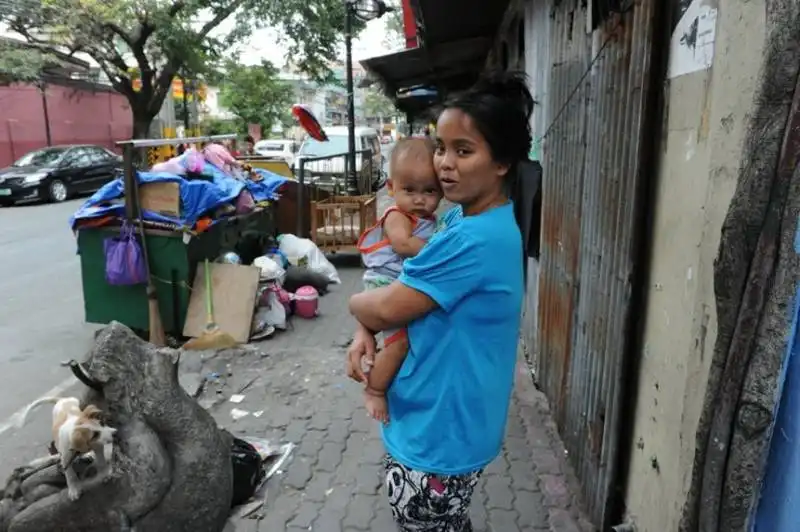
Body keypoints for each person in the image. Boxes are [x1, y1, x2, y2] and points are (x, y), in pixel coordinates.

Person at [347, 70, 533, 530]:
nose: (445, 164)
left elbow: (386, 305)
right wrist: (364, 329)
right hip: (446, 423)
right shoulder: (465, 223)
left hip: (438, 435)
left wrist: (356, 309)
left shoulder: (471, 239)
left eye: (463, 151)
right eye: (442, 148)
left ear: (503, 162)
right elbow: (397, 291)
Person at [355, 137, 442, 423]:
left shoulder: (430, 219)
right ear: (391, 188)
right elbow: (404, 246)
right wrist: (442, 251)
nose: (419, 199)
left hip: (397, 284)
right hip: (384, 284)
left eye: (429, 190)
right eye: (409, 190)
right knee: (399, 344)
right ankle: (375, 390)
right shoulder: (397, 216)